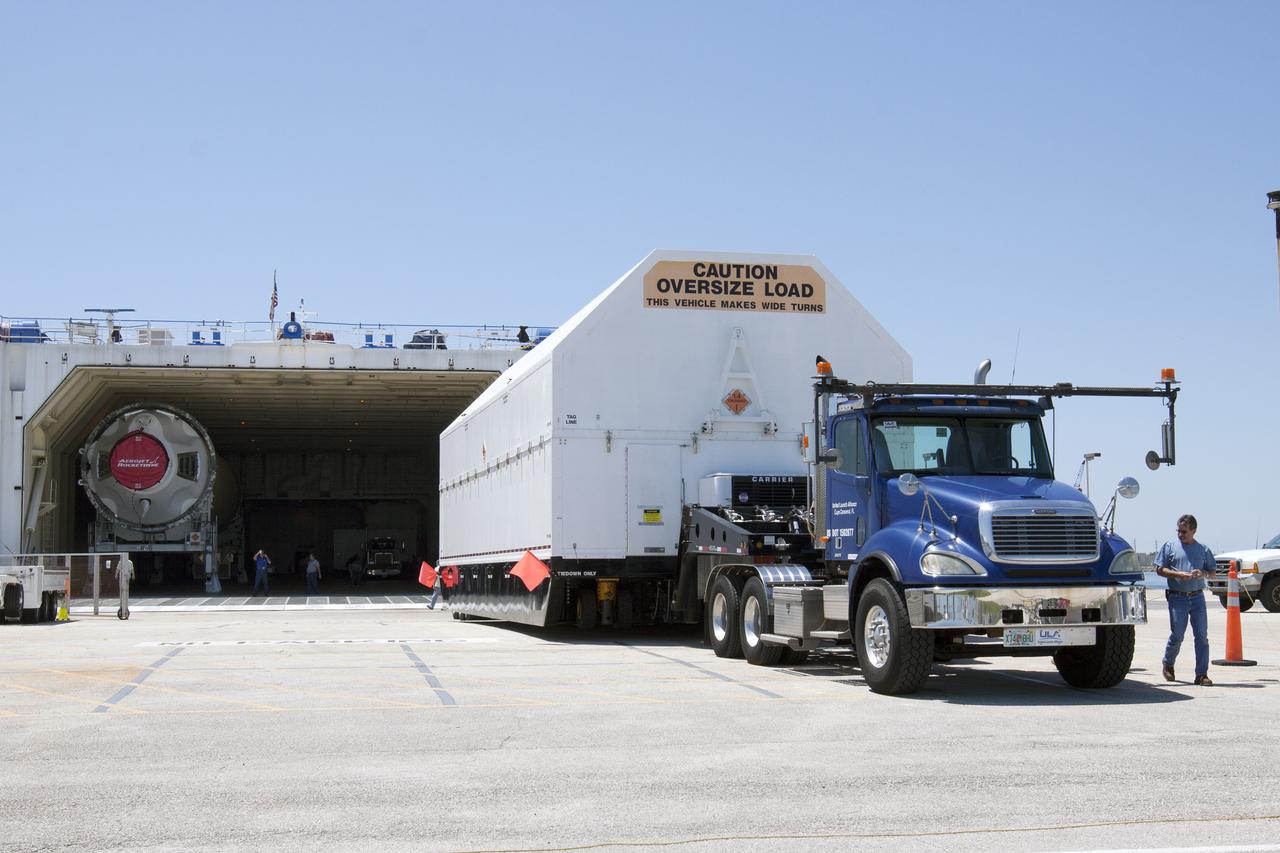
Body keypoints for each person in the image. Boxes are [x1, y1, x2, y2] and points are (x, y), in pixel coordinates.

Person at [1155, 514, 1215, 686]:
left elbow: (1212, 571)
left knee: (1202, 636)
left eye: (1184, 532)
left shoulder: (1203, 549)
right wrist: (1178, 574)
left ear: (1193, 531)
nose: (1180, 534)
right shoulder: (1170, 546)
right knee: (1178, 635)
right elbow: (1159, 569)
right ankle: (1168, 663)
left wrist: (1202, 573)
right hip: (1177, 597)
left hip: (1197, 597)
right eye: (1179, 531)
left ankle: (1201, 674)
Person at [115, 553, 134, 620]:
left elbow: (132, 570)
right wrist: (116, 575)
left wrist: (133, 575)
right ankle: (124, 591)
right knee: (123, 589)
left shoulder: (128, 562)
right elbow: (118, 569)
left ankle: (124, 591)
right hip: (123, 576)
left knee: (124, 589)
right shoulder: (121, 562)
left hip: (126, 576)